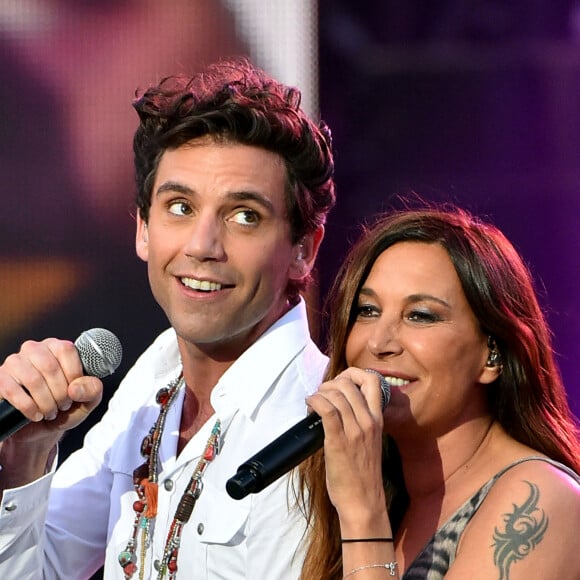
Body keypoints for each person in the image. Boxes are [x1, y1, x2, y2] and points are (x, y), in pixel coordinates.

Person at [0, 56, 335, 579]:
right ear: (142, 229)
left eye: (244, 215)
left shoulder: (314, 423)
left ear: (303, 250)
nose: (203, 246)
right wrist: (26, 455)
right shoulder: (151, 382)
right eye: (180, 207)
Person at [298, 203, 580, 579]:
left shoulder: (540, 499)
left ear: (491, 357)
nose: (379, 342)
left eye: (421, 315)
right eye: (367, 310)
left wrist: (362, 514)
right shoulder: (397, 499)